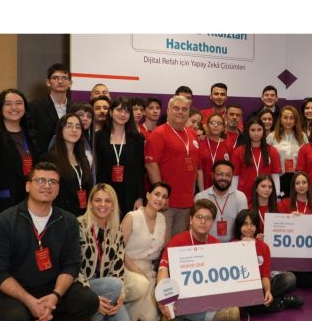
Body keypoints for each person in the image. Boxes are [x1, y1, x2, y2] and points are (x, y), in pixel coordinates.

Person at [0, 162, 99, 321]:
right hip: (13, 292)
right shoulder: (3, 222)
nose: (47, 186)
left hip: (51, 288)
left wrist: (55, 296)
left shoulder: (69, 221)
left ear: (58, 189)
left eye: (53, 182)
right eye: (40, 180)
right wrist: (30, 302)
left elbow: (71, 265)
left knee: (88, 301)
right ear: (28, 186)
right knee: (15, 317)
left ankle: (47, 315)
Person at [156, 199, 240, 321]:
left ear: (212, 222)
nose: (203, 221)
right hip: (182, 296)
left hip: (207, 296)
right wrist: (163, 298)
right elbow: (163, 270)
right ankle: (213, 317)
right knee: (180, 303)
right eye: (199, 217)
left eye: (208, 218)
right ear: (191, 220)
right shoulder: (177, 241)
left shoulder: (216, 244)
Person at [0, 88, 40, 232]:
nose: (14, 107)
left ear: (25, 108)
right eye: (8, 104)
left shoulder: (31, 134)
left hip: (31, 206)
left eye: (19, 103)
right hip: (3, 208)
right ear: (0, 108)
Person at [145, 95, 202, 238]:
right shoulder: (159, 133)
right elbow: (151, 165)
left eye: (184, 109)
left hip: (187, 202)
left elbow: (194, 166)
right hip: (166, 203)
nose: (180, 112)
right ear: (168, 111)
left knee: (179, 245)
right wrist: (161, 196)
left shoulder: (192, 133)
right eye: (176, 108)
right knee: (162, 244)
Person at [75, 184, 134, 321]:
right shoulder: (78, 226)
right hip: (82, 287)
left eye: (108, 201)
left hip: (107, 291)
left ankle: (93, 318)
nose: (103, 205)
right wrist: (93, 300)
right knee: (114, 284)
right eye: (98, 200)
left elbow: (118, 269)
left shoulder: (116, 230)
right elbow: (72, 268)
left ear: (113, 205)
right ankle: (89, 320)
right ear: (90, 203)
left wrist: (120, 295)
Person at [234, 209, 302, 313]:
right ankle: (282, 302)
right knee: (240, 302)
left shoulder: (264, 247)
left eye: (252, 224)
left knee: (290, 278)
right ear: (239, 226)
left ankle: (259, 302)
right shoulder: (232, 245)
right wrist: (243, 248)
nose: (249, 228)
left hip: (260, 286)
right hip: (242, 290)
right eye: (245, 224)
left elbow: (265, 276)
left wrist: (268, 291)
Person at [121, 181, 169, 321]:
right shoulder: (132, 217)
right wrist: (136, 270)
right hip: (126, 267)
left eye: (164, 197)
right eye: (157, 194)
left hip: (148, 270)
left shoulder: (162, 219)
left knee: (151, 318)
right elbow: (118, 250)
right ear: (148, 195)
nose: (160, 199)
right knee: (141, 284)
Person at [94, 97, 145, 217]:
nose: (123, 114)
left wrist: (140, 197)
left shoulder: (137, 138)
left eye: (127, 111)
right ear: (111, 112)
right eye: (119, 110)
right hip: (105, 191)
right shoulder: (99, 137)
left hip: (130, 193)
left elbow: (140, 170)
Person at [40, 113, 94, 217]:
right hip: (60, 215)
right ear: (60, 130)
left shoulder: (83, 158)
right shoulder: (49, 159)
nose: (74, 130)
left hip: (83, 215)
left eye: (78, 127)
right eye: (69, 126)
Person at [231, 117, 281, 206]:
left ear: (263, 131)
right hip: (244, 195)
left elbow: (275, 176)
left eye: (259, 130)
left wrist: (277, 196)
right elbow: (235, 177)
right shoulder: (238, 151)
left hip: (266, 196)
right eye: (253, 130)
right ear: (247, 131)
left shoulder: (272, 151)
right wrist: (233, 195)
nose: (256, 133)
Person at [195, 159, 248, 243]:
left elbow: (245, 225)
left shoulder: (240, 197)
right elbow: (196, 226)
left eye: (228, 175)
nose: (224, 178)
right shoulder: (201, 197)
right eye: (220, 174)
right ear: (212, 175)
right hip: (207, 244)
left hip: (233, 245)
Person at [29, 63, 72, 153]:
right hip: (44, 158)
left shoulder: (75, 108)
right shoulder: (34, 108)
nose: (60, 81)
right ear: (48, 82)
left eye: (64, 78)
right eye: (55, 78)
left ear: (70, 83)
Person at [267, 105, 308, 197]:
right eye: (285, 118)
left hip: (298, 179)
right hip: (278, 178)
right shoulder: (271, 136)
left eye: (292, 118)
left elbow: (308, 156)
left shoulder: (303, 136)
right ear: (280, 119)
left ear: (296, 120)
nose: (288, 121)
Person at [197, 112, 233, 191]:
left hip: (222, 188)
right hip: (202, 187)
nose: (215, 125)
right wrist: (202, 192)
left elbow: (231, 170)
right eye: (212, 122)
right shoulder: (199, 142)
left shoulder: (228, 145)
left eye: (219, 123)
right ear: (207, 126)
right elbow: (197, 169)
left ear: (223, 128)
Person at [66, 102, 95, 169]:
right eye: (80, 115)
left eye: (89, 116)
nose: (85, 118)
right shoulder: (59, 138)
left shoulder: (87, 139)